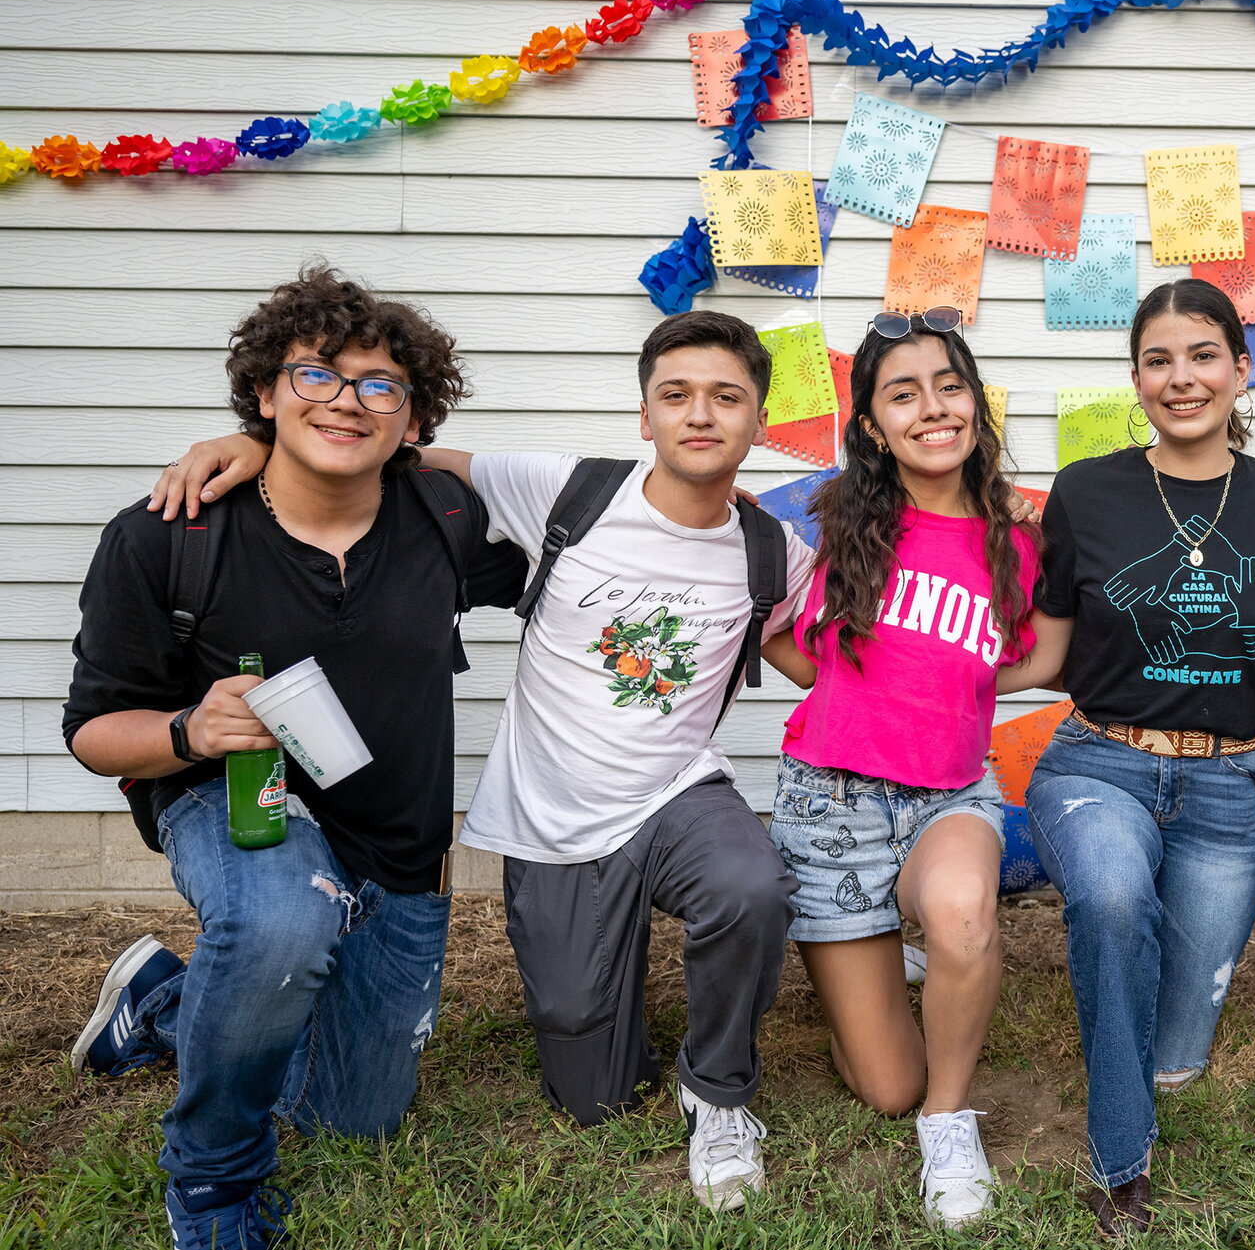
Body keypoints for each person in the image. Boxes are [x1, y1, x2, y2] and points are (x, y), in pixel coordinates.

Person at [150, 309, 816, 1213]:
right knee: (595, 1095)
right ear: (645, 415)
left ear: (759, 421)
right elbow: (400, 453)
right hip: (552, 818)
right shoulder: (566, 489)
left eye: (726, 397)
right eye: (677, 394)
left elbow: (830, 660)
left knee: (752, 886)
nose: (701, 414)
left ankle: (719, 1088)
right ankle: (175, 1001)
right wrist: (256, 440)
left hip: (677, 792)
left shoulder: (773, 550)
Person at [64, 266, 528, 1248]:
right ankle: (211, 1180)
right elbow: (96, 730)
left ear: (413, 418)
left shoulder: (443, 521)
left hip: (393, 854)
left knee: (351, 1112)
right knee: (279, 917)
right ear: (264, 390)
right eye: (315, 375)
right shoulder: (167, 536)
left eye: (379, 385)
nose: (347, 401)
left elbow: (592, 519)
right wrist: (192, 728)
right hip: (236, 803)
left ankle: (163, 999)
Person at [1003, 279, 1255, 1235]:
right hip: (1098, 761)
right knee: (1109, 898)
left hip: (1232, 780)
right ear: (1136, 377)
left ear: (1240, 369)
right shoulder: (1089, 490)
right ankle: (1120, 1160)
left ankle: (1141, 1061)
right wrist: (942, 677)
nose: (1181, 378)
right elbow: (1053, 651)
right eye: (1158, 360)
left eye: (1202, 356)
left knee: (1174, 1051)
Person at [768, 306, 1041, 1227]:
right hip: (831, 800)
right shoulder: (828, 517)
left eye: (949, 385)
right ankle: (878, 961)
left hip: (951, 796)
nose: (932, 408)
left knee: (964, 917)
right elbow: (773, 626)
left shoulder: (1016, 535)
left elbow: (1021, 658)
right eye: (903, 393)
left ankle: (948, 1120)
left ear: (975, 401)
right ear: (873, 423)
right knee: (884, 1080)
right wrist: (849, 698)